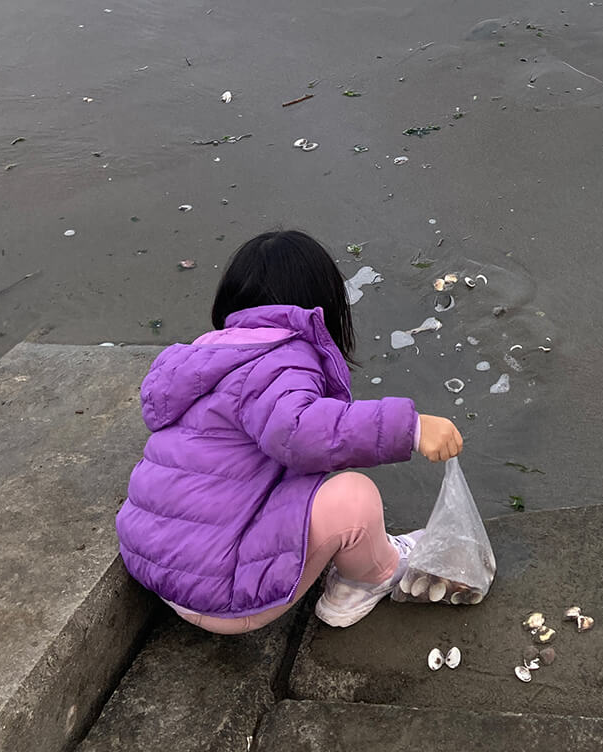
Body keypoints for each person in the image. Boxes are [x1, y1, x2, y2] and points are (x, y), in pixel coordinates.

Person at [116, 229, 462, 632]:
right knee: (354, 499)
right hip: (222, 595)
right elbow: (302, 432)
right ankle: (367, 580)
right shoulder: (281, 358)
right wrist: (413, 428)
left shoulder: (204, 355)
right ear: (324, 304)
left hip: (154, 563)